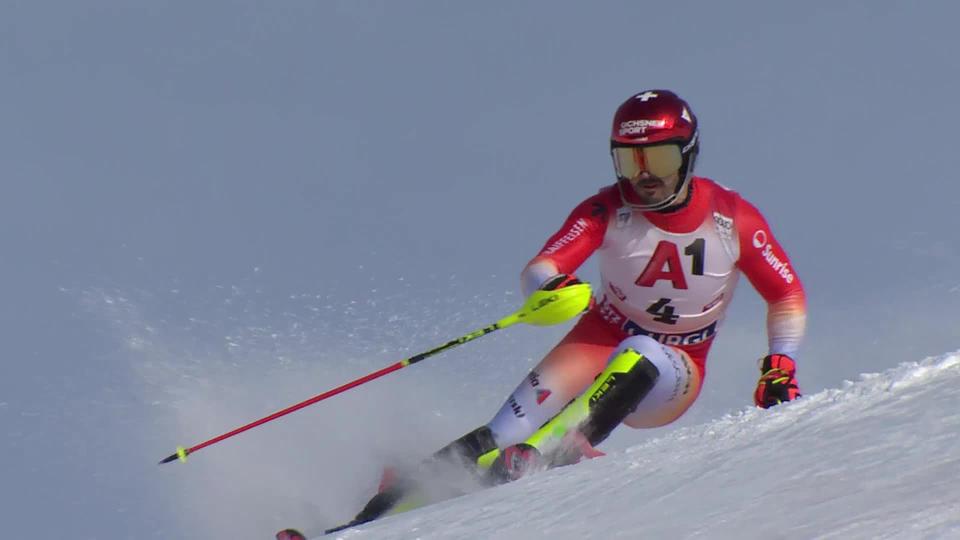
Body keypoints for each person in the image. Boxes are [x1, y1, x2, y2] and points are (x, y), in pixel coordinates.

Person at [332, 89, 807, 531]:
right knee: (501, 431)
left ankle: (547, 451)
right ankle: (365, 523)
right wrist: (553, 285)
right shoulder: (606, 208)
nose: (643, 176)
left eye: (659, 158)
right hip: (600, 335)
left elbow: (785, 293)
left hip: (675, 370)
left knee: (644, 349)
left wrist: (779, 364)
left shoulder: (731, 217)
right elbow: (541, 266)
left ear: (688, 154)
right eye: (629, 159)